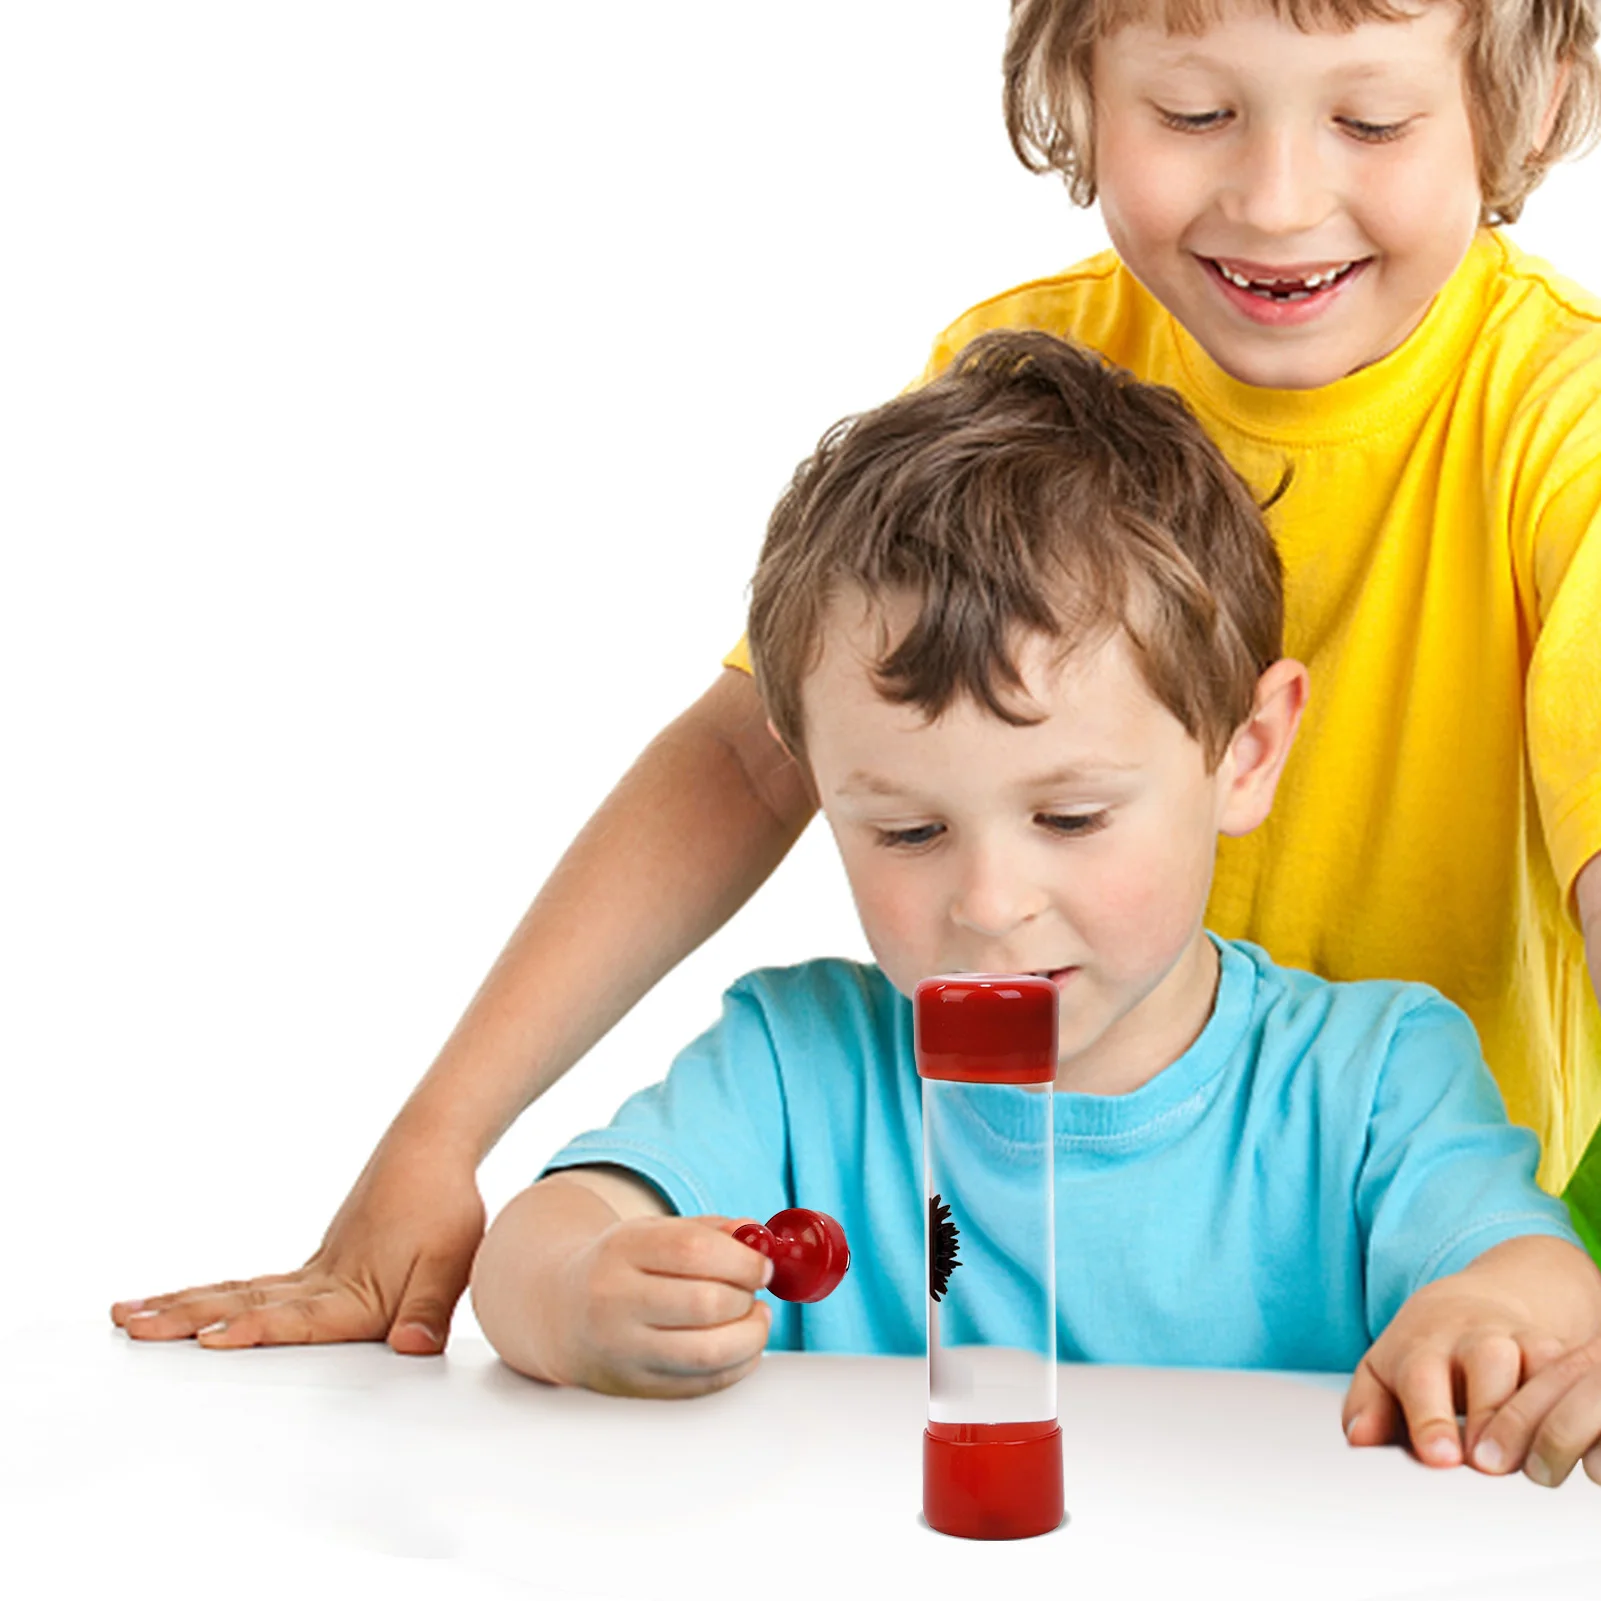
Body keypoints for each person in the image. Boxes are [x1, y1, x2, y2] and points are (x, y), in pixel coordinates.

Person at [112, 0, 1601, 1362]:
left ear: (1517, 105)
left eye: (1369, 122)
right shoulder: (1033, 376)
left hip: (1426, 1221)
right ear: (1079, 85)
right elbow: (766, 748)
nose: (1276, 197)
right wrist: (440, 1139)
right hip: (1007, 1174)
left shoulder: (1559, 422)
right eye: (1196, 114)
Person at [469, 331, 1601, 1489]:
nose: (989, 905)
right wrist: (574, 1290)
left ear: (1246, 753)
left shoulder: (1370, 1079)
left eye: (1068, 817)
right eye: (907, 830)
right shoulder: (794, 1064)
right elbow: (541, 1238)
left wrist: (1490, 1314)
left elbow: (1531, 1267)